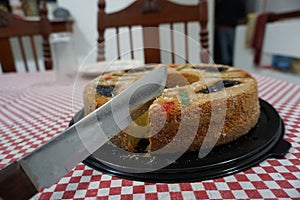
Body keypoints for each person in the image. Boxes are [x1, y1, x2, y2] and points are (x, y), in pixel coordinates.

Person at [215, 0, 246, 66]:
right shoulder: (239, 2)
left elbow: (216, 14)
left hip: (222, 27)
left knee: (224, 50)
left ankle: (226, 67)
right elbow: (242, 18)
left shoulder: (221, 2)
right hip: (232, 27)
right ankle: (234, 66)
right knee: (234, 49)